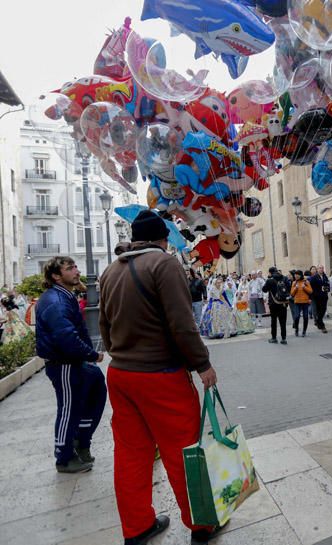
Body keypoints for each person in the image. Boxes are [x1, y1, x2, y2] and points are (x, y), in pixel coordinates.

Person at [98, 210, 220, 545]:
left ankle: (137, 527)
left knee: (131, 453)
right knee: (181, 450)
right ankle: (201, 524)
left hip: (121, 374)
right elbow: (181, 324)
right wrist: (202, 363)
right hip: (160, 376)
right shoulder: (163, 264)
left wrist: (122, 353)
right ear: (162, 238)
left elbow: (104, 328)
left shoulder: (111, 270)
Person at [35, 256, 106, 474]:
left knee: (96, 390)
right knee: (68, 408)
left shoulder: (65, 296)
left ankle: (81, 442)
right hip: (64, 363)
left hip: (74, 361)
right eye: (70, 268)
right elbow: (64, 336)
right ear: (56, 276)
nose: (76, 271)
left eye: (75, 266)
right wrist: (91, 354)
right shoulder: (55, 300)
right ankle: (64, 457)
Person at [263, 267, 291, 344]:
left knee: (274, 321)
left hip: (273, 303)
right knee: (283, 321)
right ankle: (283, 339)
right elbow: (289, 288)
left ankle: (274, 338)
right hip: (283, 303)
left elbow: (264, 289)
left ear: (270, 272)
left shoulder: (270, 280)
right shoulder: (284, 278)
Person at [290, 270, 313, 337]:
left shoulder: (306, 282)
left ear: (300, 275)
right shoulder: (294, 282)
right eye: (295, 275)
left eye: (297, 275)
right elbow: (291, 293)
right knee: (296, 317)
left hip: (305, 302)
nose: (296, 276)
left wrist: (304, 287)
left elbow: (311, 291)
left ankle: (304, 331)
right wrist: (295, 288)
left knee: (305, 317)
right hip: (297, 302)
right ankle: (296, 329)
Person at [308, 265, 329, 333]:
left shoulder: (325, 276)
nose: (321, 269)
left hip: (324, 296)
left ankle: (318, 321)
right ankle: (322, 326)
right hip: (316, 297)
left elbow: (327, 284)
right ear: (317, 269)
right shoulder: (314, 277)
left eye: (322, 268)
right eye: (320, 268)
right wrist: (310, 297)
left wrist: (327, 288)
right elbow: (310, 288)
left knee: (323, 310)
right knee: (319, 311)